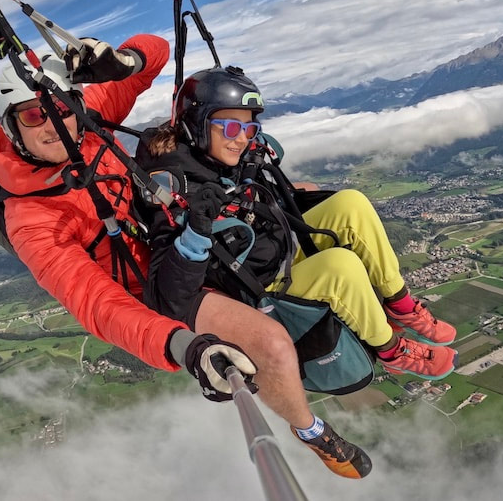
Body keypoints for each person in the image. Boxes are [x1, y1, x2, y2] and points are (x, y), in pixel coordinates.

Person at [0, 35, 372, 478]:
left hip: (180, 238)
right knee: (273, 346)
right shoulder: (33, 220)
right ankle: (312, 432)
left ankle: (388, 322)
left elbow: (156, 53)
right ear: (11, 126)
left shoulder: (88, 122)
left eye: (63, 108)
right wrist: (182, 345)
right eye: (34, 115)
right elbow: (98, 306)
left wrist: (117, 61)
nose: (55, 123)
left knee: (294, 204)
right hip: (156, 291)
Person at [135, 67, 459, 472]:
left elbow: (260, 188)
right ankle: (392, 350)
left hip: (277, 247)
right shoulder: (172, 185)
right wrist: (195, 234)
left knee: (351, 204)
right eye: (230, 126)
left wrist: (262, 166)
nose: (241, 137)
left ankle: (402, 306)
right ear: (199, 124)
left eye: (250, 128)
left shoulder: (216, 154)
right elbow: (167, 297)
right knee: (340, 266)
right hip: (256, 284)